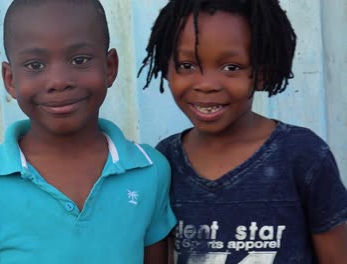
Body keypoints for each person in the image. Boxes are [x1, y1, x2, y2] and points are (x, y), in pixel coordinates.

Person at [0, 0, 176, 263]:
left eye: (79, 60)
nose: (59, 81)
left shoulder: (149, 170)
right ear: (10, 79)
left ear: (110, 67)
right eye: (35, 65)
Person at [139, 0, 347, 263]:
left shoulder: (303, 155)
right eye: (187, 65)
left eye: (231, 67)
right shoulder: (165, 160)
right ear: (166, 67)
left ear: (262, 73)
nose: (206, 85)